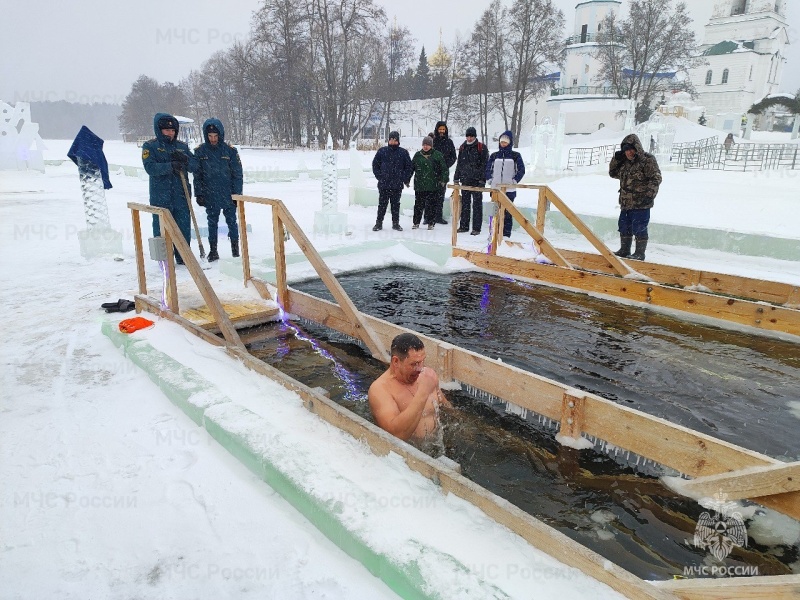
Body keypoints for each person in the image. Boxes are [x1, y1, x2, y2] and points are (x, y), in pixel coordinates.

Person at [368, 333, 451, 444]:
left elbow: (446, 407)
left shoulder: (427, 377)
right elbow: (395, 436)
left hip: (436, 445)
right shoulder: (380, 390)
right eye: (414, 364)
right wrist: (423, 392)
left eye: (422, 361)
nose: (420, 368)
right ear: (396, 361)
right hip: (406, 455)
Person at [142, 113, 198, 264]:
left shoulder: (182, 147)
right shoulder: (150, 146)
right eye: (167, 130)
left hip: (181, 196)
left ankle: (183, 257)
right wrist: (170, 166)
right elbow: (150, 167)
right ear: (159, 130)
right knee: (162, 229)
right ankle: (164, 259)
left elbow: (195, 166)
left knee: (183, 228)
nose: (170, 133)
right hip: (161, 196)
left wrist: (185, 160)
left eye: (173, 130)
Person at [193, 118, 243, 262]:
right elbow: (198, 175)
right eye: (210, 136)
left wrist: (237, 195)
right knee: (212, 223)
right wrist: (199, 194)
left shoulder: (230, 152)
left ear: (220, 135)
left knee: (232, 222)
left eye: (215, 136)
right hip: (210, 195)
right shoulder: (200, 152)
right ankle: (213, 251)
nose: (213, 139)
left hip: (228, 194)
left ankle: (235, 251)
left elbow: (237, 175)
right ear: (206, 135)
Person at [608, 133, 662, 261]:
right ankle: (624, 250)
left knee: (639, 228)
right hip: (626, 203)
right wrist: (616, 159)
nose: (629, 153)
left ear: (637, 148)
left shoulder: (647, 160)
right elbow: (613, 173)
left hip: (641, 203)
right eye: (626, 150)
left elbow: (656, 178)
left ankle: (639, 253)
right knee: (624, 226)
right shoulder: (624, 162)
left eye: (631, 149)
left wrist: (649, 196)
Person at [485, 130, 525, 238]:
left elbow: (521, 170)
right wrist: (489, 179)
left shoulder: (515, 155)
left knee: (507, 213)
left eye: (505, 142)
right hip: (495, 189)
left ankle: (506, 235)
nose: (503, 143)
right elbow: (488, 169)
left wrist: (514, 181)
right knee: (494, 212)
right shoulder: (494, 155)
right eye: (502, 141)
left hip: (509, 190)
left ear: (510, 142)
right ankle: (493, 233)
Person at [371, 130, 413, 232]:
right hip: (384, 184)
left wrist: (403, 178)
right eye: (391, 140)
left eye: (395, 140)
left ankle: (396, 223)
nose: (393, 142)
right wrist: (380, 177)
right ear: (388, 140)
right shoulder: (382, 151)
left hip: (397, 185)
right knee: (382, 205)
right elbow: (375, 165)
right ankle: (378, 223)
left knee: (396, 205)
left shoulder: (403, 152)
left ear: (398, 141)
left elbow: (409, 167)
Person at [453, 126, 489, 235]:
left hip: (477, 181)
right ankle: (464, 226)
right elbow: (459, 163)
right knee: (465, 204)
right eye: (468, 136)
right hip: (465, 180)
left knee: (477, 205)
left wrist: (483, 179)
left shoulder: (481, 147)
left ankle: (476, 228)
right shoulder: (463, 147)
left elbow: (485, 164)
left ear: (475, 136)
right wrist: (456, 177)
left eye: (471, 136)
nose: (469, 138)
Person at [411, 136, 449, 230]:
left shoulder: (437, 155)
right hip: (420, 185)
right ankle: (416, 222)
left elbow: (444, 169)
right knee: (418, 205)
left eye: (427, 145)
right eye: (424, 144)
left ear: (431, 145)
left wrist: (444, 180)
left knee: (432, 205)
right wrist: (407, 178)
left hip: (433, 185)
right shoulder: (417, 155)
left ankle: (431, 223)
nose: (425, 146)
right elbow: (411, 168)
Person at [431, 121, 457, 225]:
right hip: (431, 172)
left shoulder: (449, 142)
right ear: (437, 130)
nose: (441, 131)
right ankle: (429, 216)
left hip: (443, 173)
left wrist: (445, 165)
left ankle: (438, 216)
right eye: (440, 129)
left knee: (440, 195)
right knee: (430, 194)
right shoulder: (432, 141)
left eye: (443, 129)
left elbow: (453, 157)